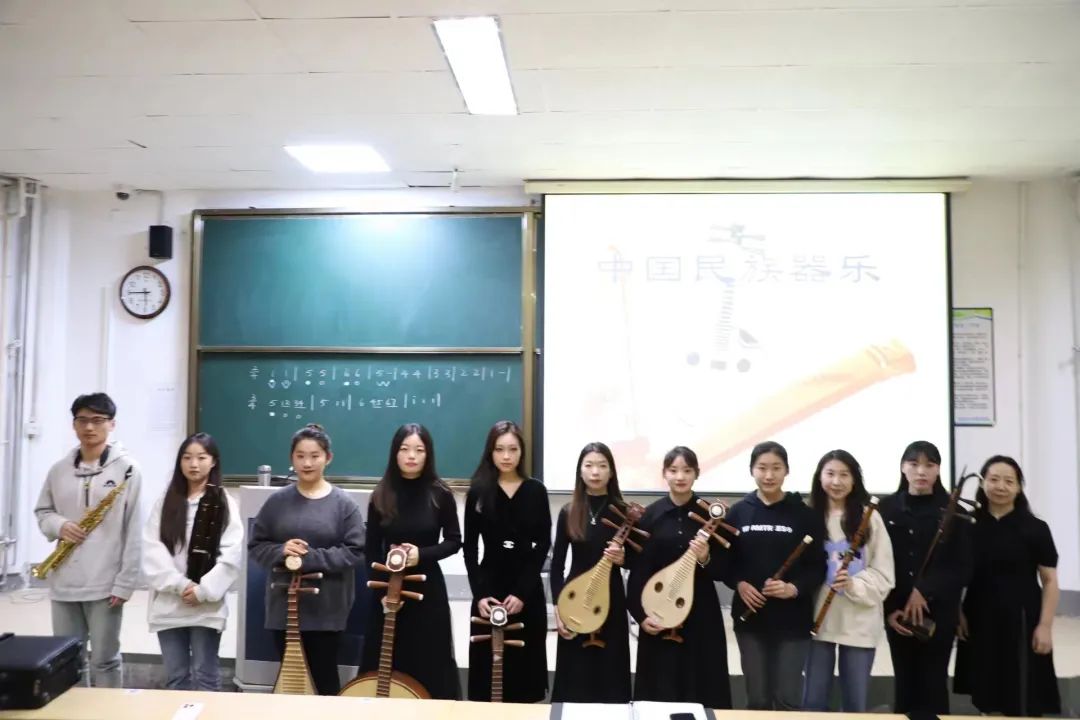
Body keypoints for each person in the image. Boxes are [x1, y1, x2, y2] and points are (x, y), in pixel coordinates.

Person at [34, 392, 142, 688]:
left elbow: (134, 530)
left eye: (97, 420)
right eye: (82, 420)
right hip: (64, 581)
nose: (89, 427)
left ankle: (108, 709)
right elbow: (43, 511)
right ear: (74, 425)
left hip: (106, 583)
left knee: (105, 660)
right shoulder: (58, 470)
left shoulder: (128, 470)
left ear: (112, 424)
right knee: (67, 660)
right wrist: (59, 525)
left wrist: (125, 582)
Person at [248, 423, 365, 696]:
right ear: (292, 458)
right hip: (284, 608)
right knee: (291, 684)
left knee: (324, 681)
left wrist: (309, 558)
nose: (307, 463)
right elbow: (256, 545)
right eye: (300, 456)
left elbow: (355, 551)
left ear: (328, 458)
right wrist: (281, 550)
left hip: (327, 609)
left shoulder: (343, 504)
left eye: (315, 456)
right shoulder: (277, 502)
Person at [358, 423, 461, 699]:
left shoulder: (441, 494)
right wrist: (381, 593)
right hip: (387, 593)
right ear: (395, 453)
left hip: (427, 592)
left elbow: (454, 541)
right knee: (386, 661)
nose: (411, 456)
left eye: (419, 450)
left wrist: (420, 554)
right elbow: (371, 549)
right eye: (404, 449)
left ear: (428, 454)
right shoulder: (381, 493)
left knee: (429, 661)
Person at [626, 446, 733, 709]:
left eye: (687, 470)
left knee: (702, 685)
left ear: (697, 473)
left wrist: (706, 557)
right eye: (673, 470)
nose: (680, 477)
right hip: (658, 611)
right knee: (660, 688)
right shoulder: (650, 516)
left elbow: (725, 570)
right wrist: (641, 615)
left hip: (701, 615)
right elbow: (638, 571)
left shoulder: (710, 514)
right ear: (664, 473)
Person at [954, 455, 1061, 716]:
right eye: (993, 479)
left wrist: (1045, 626)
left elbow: (1049, 581)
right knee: (986, 693)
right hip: (979, 616)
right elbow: (954, 574)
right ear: (983, 483)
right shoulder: (967, 524)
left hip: (1023, 618)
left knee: (1024, 692)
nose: (1000, 486)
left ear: (1019, 487)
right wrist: (957, 612)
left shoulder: (1036, 528)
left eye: (1009, 481)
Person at [724, 440, 825, 711]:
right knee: (757, 698)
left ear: (787, 470)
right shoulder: (738, 512)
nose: (769, 475)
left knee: (787, 699)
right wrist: (739, 583)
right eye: (762, 468)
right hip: (750, 619)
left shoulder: (805, 515)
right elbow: (726, 563)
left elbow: (818, 567)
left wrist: (794, 588)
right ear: (752, 470)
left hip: (793, 620)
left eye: (776, 468)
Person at [142, 433, 243, 691]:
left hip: (205, 605)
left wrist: (203, 590)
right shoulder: (166, 501)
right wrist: (180, 585)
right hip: (169, 602)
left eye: (201, 457)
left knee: (205, 675)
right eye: (187, 458)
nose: (194, 464)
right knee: (176, 677)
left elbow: (232, 553)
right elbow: (152, 548)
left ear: (213, 462)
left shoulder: (224, 502)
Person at [880, 440, 972, 715]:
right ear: (902, 468)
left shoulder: (956, 512)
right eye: (914, 464)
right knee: (904, 682)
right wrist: (890, 609)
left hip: (939, 612)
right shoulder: (885, 509)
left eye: (929, 465)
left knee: (933, 682)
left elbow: (963, 566)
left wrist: (924, 590)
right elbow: (878, 562)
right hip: (897, 611)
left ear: (938, 470)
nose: (921, 471)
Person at [463, 420, 551, 703]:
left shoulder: (536, 491)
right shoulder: (479, 491)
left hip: (526, 591)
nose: (506, 456)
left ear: (522, 452)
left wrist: (522, 593)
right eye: (499, 449)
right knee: (487, 676)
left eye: (513, 449)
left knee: (525, 675)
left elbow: (543, 545)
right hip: (489, 589)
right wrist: (480, 594)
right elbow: (469, 549)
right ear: (490, 452)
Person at [802, 449, 894, 712]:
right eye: (830, 474)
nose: (836, 481)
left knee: (855, 705)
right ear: (819, 477)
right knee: (813, 702)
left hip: (859, 620)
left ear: (855, 480)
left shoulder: (869, 517)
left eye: (844, 475)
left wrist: (853, 585)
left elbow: (884, 572)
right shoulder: (808, 516)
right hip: (817, 620)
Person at [550, 442, 632, 704]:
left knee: (611, 670)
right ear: (580, 471)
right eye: (589, 465)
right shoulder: (569, 511)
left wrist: (624, 558)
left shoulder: (624, 512)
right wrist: (558, 607)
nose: (595, 472)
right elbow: (556, 566)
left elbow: (637, 561)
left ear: (611, 471)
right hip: (575, 599)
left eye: (602, 466)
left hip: (612, 599)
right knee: (575, 673)